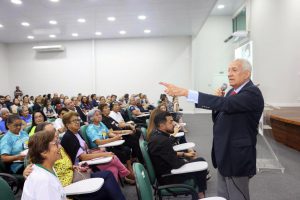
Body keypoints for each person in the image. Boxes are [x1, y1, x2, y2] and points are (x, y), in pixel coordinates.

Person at [160, 58, 264, 200]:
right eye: (228, 70)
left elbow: (226, 105)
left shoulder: (252, 93)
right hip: (224, 154)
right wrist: (218, 103)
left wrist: (186, 92)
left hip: (236, 157)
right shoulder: (231, 92)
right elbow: (219, 117)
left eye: (234, 70)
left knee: (237, 195)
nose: (229, 74)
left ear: (247, 74)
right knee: (223, 195)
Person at [23, 122, 126, 200]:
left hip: (71, 182)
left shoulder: (47, 165)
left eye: (54, 130)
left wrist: (72, 166)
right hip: (70, 188)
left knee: (107, 185)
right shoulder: (42, 179)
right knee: (106, 190)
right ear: (43, 150)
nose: (58, 147)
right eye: (54, 144)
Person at [148, 111, 207, 199]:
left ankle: (200, 192)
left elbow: (166, 154)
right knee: (200, 162)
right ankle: (200, 195)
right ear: (162, 125)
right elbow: (176, 164)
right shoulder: (162, 140)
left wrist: (184, 154)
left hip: (164, 173)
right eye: (171, 122)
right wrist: (186, 161)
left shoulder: (157, 136)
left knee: (198, 161)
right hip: (169, 177)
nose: (174, 124)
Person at [60, 111, 131, 182]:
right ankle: (128, 174)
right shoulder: (69, 137)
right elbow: (83, 157)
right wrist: (104, 154)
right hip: (81, 166)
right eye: (74, 121)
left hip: (88, 159)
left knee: (113, 169)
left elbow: (86, 150)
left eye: (78, 120)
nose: (77, 122)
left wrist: (98, 152)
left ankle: (112, 190)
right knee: (113, 158)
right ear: (67, 124)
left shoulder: (77, 133)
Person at [21, 129, 66, 200]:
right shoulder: (44, 180)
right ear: (44, 152)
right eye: (55, 144)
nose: (60, 147)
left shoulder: (47, 168)